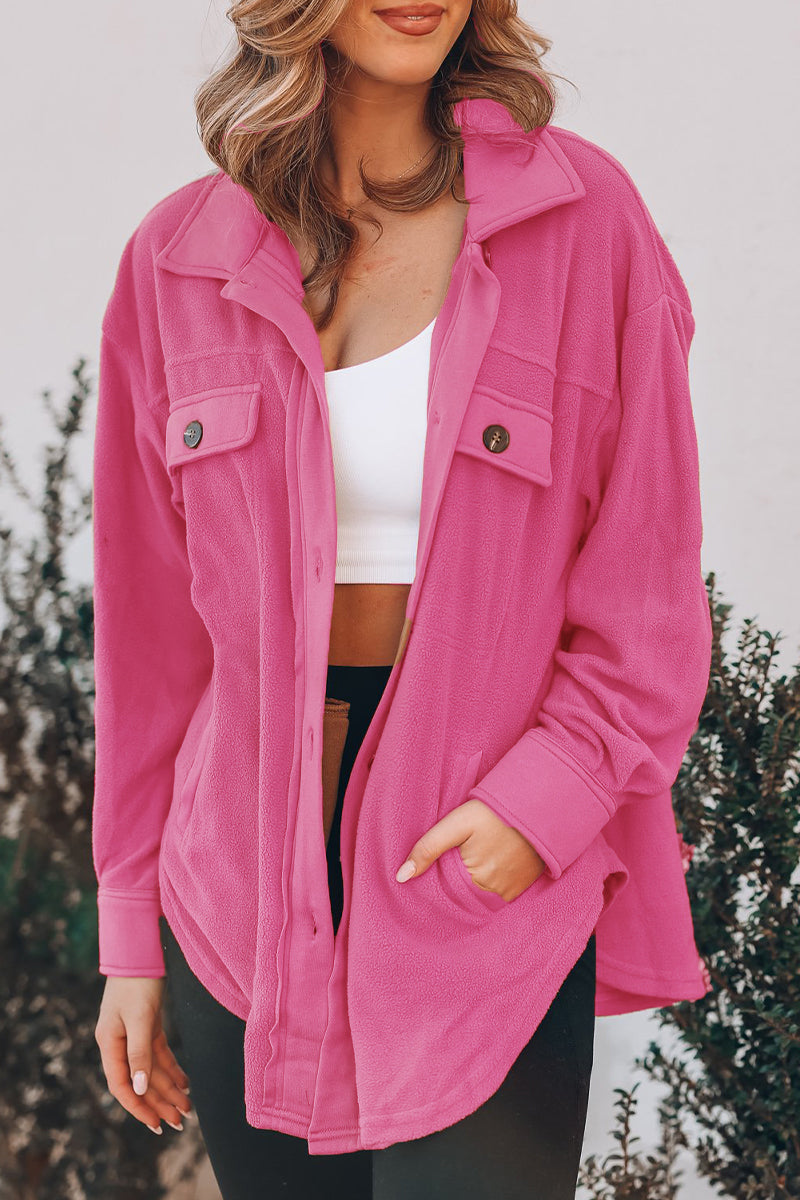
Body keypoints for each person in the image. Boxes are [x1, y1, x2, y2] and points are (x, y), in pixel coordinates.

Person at [91, 0, 713, 1196]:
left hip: (479, 856)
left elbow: (646, 580)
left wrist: (541, 806)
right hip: (235, 888)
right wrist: (131, 934)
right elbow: (149, 640)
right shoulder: (175, 259)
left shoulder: (580, 223)